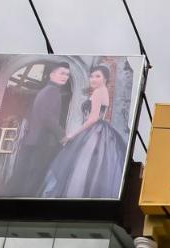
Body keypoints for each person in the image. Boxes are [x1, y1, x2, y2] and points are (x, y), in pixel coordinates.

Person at [42, 64, 127, 199]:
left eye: (98, 76)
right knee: (86, 167)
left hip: (94, 132)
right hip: (96, 131)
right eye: (92, 76)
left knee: (82, 166)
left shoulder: (99, 91)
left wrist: (72, 135)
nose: (93, 79)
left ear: (105, 79)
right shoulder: (101, 91)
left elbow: (92, 118)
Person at [6, 61, 71, 197]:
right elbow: (47, 117)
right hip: (42, 142)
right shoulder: (52, 91)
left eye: (67, 74)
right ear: (51, 75)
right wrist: (62, 135)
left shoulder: (45, 91)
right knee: (33, 179)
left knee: (23, 177)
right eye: (62, 73)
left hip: (33, 140)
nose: (65, 77)